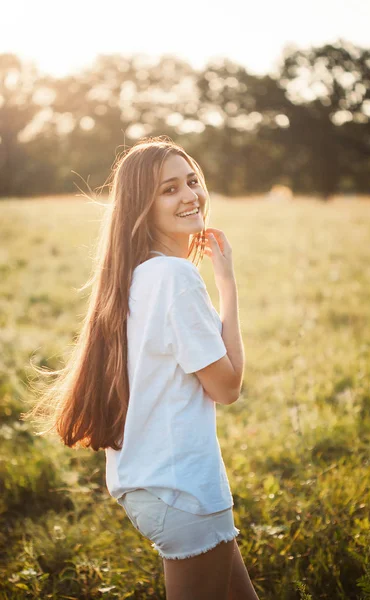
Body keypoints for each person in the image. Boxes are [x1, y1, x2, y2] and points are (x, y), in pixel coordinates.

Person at [24, 136, 259, 599]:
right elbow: (227, 387)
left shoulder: (137, 274)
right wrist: (228, 285)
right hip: (182, 488)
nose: (190, 195)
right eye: (169, 189)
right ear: (141, 206)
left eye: (192, 181)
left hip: (150, 482)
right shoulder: (173, 277)